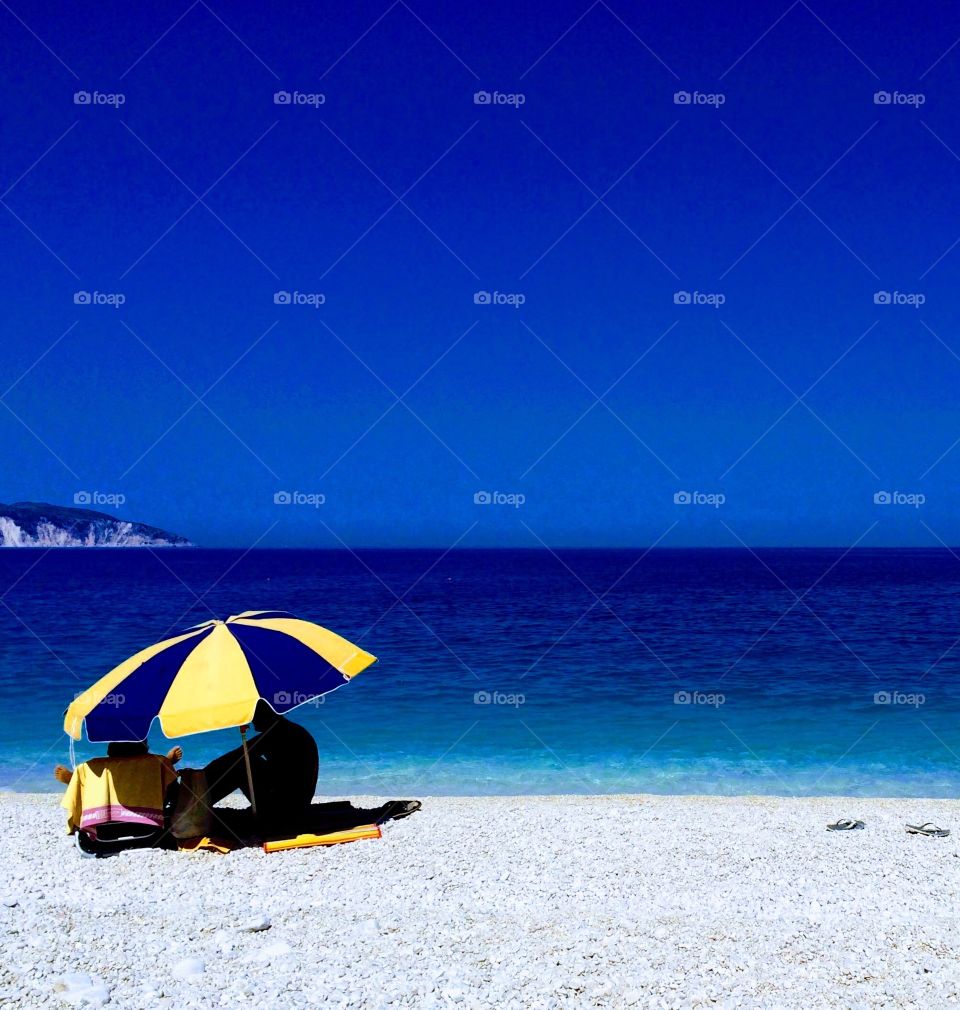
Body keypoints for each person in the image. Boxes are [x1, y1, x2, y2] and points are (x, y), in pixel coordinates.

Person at [202, 701, 319, 831]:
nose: (251, 719)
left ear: (265, 714)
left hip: (286, 810)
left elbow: (239, 756)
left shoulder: (278, 733)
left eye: (253, 714)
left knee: (242, 764)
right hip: (297, 805)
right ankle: (201, 801)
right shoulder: (288, 729)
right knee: (245, 760)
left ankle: (199, 804)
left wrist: (203, 776)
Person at [54, 743, 182, 785]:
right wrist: (167, 762)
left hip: (107, 818)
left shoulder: (95, 765)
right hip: (150, 817)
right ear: (145, 749)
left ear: (110, 751)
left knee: (95, 778)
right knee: (151, 769)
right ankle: (166, 765)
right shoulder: (153, 762)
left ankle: (76, 781)